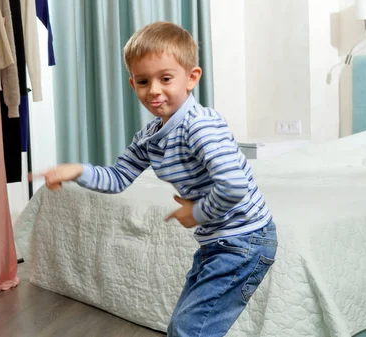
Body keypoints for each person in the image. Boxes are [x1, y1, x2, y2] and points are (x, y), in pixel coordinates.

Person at [37, 21, 278, 337]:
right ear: (132, 84)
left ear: (191, 78)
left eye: (165, 79)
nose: (153, 90)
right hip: (216, 241)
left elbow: (234, 185)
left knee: (190, 329)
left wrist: (197, 212)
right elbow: (118, 177)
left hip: (245, 240)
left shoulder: (200, 126)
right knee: (185, 326)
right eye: (142, 81)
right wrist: (78, 171)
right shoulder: (150, 136)